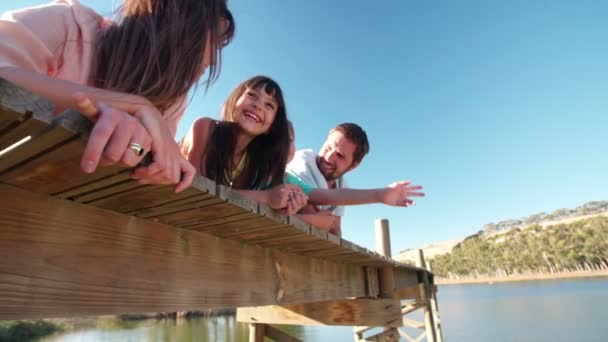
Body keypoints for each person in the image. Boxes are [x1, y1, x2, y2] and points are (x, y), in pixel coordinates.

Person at [0, 0, 235, 192]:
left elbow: (141, 161)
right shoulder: (70, 22)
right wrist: (134, 104)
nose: (213, 60)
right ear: (181, 24)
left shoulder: (174, 101)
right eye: (213, 41)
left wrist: (160, 162)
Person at [180, 75, 307, 215]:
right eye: (252, 95)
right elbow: (197, 188)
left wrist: (287, 202)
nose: (258, 106)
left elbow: (229, 198)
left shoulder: (254, 161)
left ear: (272, 126)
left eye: (269, 105)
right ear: (236, 100)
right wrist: (267, 197)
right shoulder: (206, 127)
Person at [285, 122, 424, 236]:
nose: (328, 157)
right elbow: (316, 218)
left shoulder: (341, 185)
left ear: (353, 166)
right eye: (328, 148)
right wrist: (381, 195)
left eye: (339, 155)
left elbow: (335, 229)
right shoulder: (301, 163)